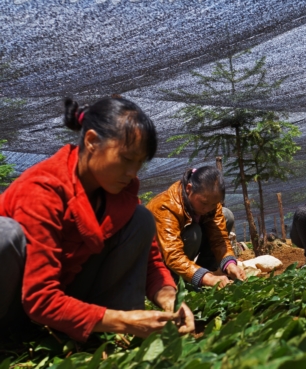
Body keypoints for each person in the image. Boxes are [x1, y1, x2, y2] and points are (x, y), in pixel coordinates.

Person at [0, 97, 194, 342]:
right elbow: (40, 296)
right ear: (92, 141)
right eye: (126, 158)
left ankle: (114, 333)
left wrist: (168, 296)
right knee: (5, 234)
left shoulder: (119, 192)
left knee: (141, 219)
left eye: (139, 163)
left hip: (66, 297)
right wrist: (124, 321)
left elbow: (151, 262)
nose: (132, 173)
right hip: (16, 303)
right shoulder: (42, 190)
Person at [146, 166, 246, 289]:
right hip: (155, 265)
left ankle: (206, 273)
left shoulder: (211, 202)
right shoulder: (166, 206)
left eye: (214, 204)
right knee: (193, 233)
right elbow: (173, 254)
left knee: (226, 216)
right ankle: (176, 280)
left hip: (183, 258)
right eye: (204, 203)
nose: (207, 209)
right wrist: (207, 278)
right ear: (189, 189)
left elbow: (219, 238)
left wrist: (230, 264)